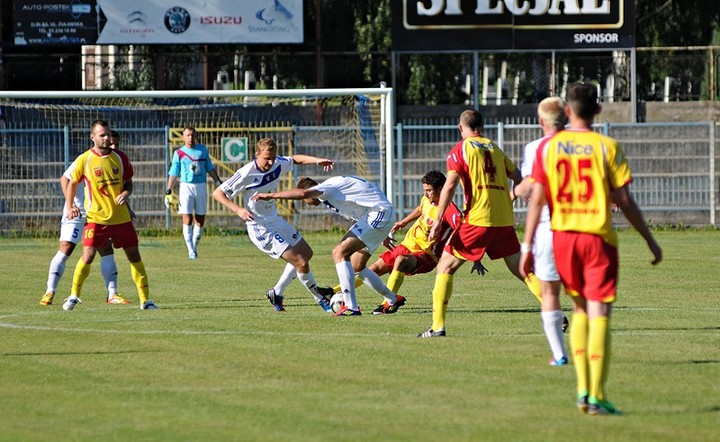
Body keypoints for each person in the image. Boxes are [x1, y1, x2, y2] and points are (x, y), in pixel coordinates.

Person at [519, 83, 662, 415]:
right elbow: (624, 201)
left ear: (568, 111)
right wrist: (649, 239)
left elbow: (537, 198)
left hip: (562, 239)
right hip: (597, 239)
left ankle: (583, 390)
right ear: (598, 110)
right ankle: (596, 395)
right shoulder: (607, 147)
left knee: (580, 310)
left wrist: (527, 246)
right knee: (599, 314)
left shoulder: (549, 148)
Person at [417, 109, 546, 338]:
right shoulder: (495, 148)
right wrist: (511, 196)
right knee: (522, 270)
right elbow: (519, 179)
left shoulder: (461, 149)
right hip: (504, 220)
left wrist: (438, 220)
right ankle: (554, 312)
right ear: (482, 127)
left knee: (444, 267)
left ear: (461, 128)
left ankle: (437, 326)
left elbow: (449, 185)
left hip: (478, 219)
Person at [212, 137, 336, 313]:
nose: (271, 162)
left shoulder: (277, 162)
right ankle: (320, 298)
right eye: (266, 159)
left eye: (273, 158)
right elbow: (218, 193)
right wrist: (238, 209)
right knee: (300, 261)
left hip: (275, 220)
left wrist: (317, 161)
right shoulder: (246, 172)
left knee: (307, 253)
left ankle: (276, 293)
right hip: (260, 227)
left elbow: (296, 159)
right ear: (257, 155)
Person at [251, 175, 404, 317]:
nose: (308, 204)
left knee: (339, 252)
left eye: (307, 201)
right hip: (378, 216)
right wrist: (381, 234)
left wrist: (270, 195)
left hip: (378, 214)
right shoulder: (333, 192)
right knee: (357, 265)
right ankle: (392, 299)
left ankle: (351, 307)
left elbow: (303, 193)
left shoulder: (326, 188)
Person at [330, 170, 463, 314]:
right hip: (406, 245)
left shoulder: (450, 210)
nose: (426, 194)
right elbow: (420, 209)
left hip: (426, 255)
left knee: (400, 261)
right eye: (425, 190)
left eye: (429, 191)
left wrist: (471, 256)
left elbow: (461, 230)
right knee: (370, 270)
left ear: (441, 189)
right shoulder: (427, 200)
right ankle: (334, 291)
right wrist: (403, 222)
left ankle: (388, 304)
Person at [61, 119, 157, 311]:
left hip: (121, 218)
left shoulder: (120, 157)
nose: (106, 138)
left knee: (134, 256)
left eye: (107, 134)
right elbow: (71, 183)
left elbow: (128, 182)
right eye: (102, 135)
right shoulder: (85, 159)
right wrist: (70, 206)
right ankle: (73, 296)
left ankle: (145, 300)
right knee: (87, 256)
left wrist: (126, 193)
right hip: (97, 218)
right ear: (93, 137)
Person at [513, 97, 569, 366]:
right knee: (584, 294)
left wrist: (513, 191)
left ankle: (560, 354)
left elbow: (531, 189)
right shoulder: (587, 143)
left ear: (540, 121)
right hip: (583, 228)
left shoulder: (537, 147)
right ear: (566, 116)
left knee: (550, 292)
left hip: (549, 227)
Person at [40, 167, 125, 306]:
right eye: (112, 143)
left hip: (97, 215)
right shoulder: (85, 159)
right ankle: (50, 291)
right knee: (66, 249)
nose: (113, 146)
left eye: (115, 144)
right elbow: (64, 179)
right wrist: (71, 205)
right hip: (77, 213)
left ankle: (112, 294)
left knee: (106, 249)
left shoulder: (111, 161)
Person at [165, 126, 223, 259]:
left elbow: (210, 167)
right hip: (186, 187)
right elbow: (174, 173)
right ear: (183, 137)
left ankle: (195, 246)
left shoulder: (202, 150)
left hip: (201, 187)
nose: (190, 138)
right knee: (187, 218)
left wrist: (218, 183)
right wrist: (168, 190)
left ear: (195, 136)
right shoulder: (179, 153)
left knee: (200, 219)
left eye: (192, 135)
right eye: (187, 135)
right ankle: (190, 249)